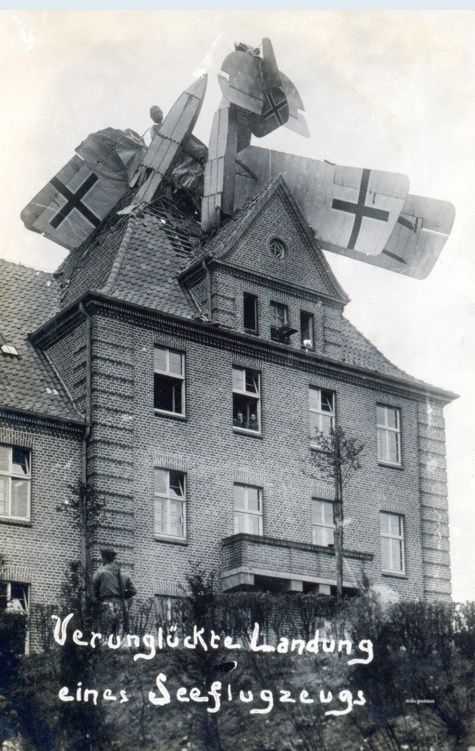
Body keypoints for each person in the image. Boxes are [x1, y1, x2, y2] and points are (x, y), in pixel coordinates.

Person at [93, 549, 137, 634]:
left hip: (105, 605)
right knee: (120, 633)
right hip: (121, 605)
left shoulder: (100, 572)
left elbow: (92, 589)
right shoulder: (124, 573)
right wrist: (122, 596)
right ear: (114, 559)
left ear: (103, 558)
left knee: (105, 633)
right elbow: (133, 590)